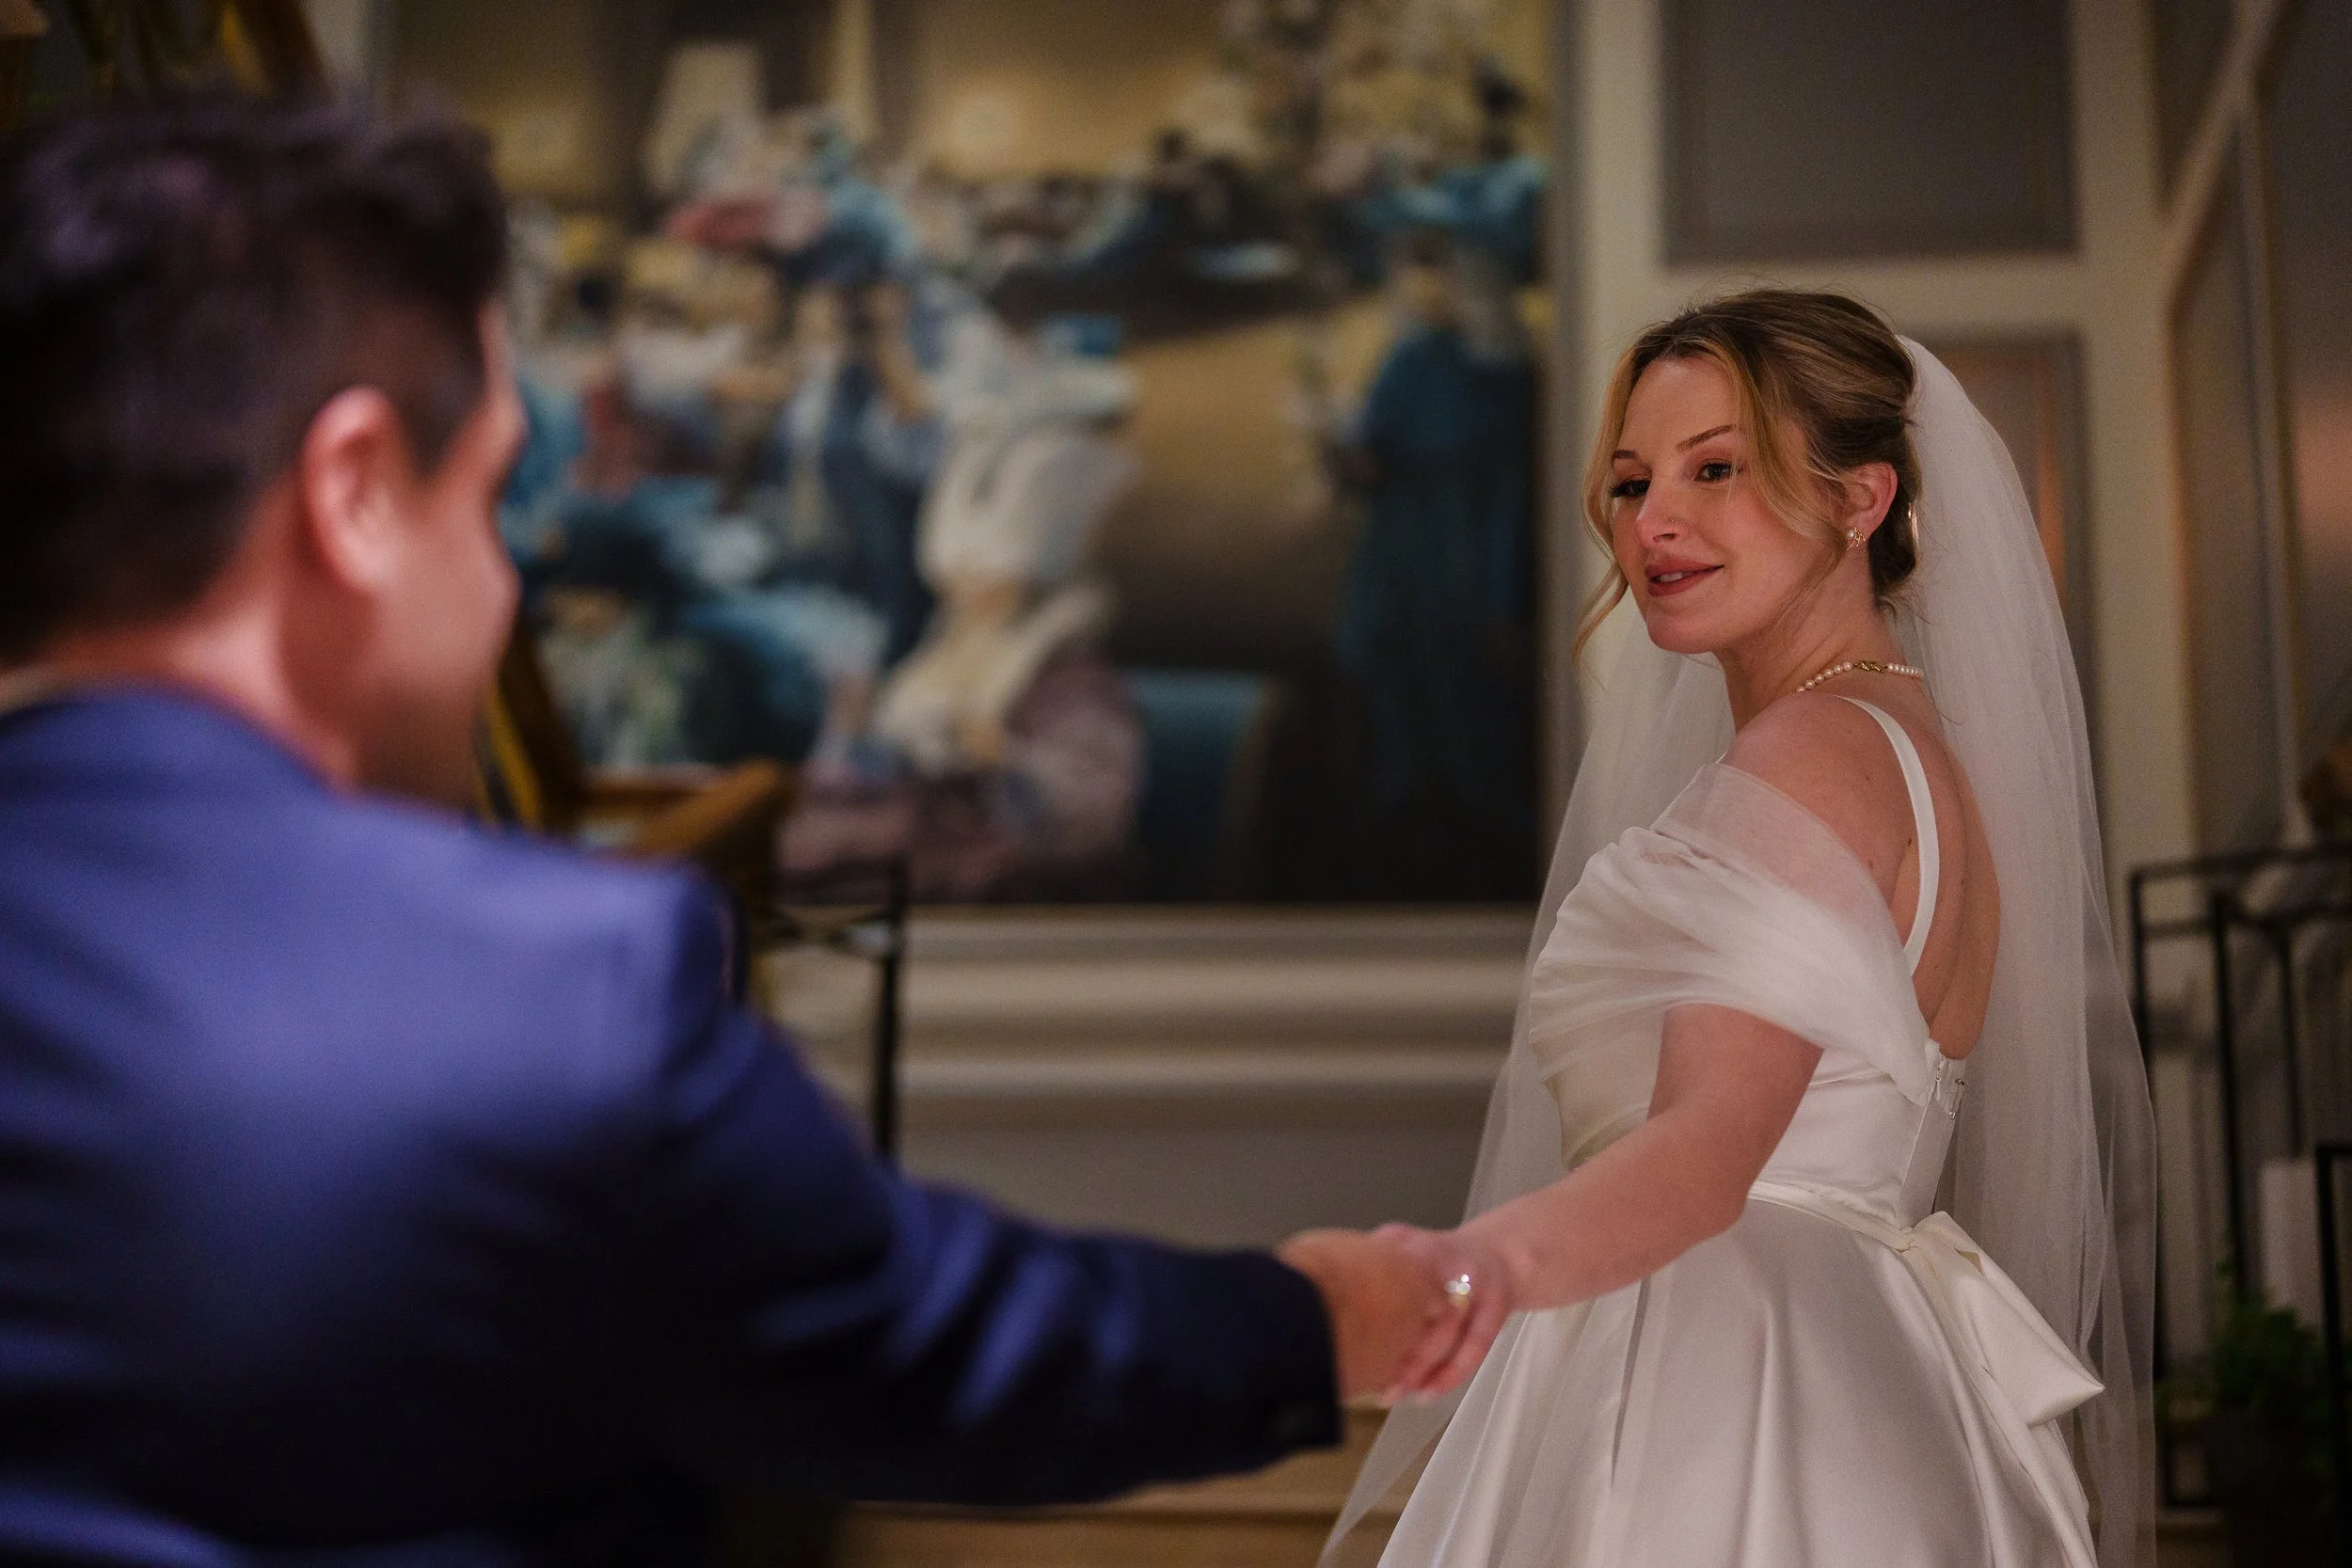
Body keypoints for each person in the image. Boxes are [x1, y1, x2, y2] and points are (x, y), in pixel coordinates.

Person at [0, 96, 1460, 1563]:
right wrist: (1325, 1313)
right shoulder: (552, 993)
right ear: (358, 492)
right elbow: (942, 1347)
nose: (506, 588)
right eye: (490, 498)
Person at [1331, 292, 2157, 1567]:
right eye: (1631, 482)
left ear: (1859, 499)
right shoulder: (1907, 750)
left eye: (1715, 469)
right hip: (1864, 1359)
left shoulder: (1812, 754)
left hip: (1722, 1374)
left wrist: (1456, 1270)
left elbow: (1712, 1141)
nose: (1653, 521)